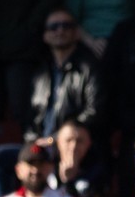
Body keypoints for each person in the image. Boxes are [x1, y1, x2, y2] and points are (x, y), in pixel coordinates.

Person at [26, 9, 102, 145]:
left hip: (76, 145)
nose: (60, 30)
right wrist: (33, 142)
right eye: (53, 27)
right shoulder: (39, 72)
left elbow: (94, 112)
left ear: (77, 33)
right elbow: (29, 116)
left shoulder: (90, 68)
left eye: (66, 26)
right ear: (45, 35)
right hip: (41, 146)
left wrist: (57, 137)